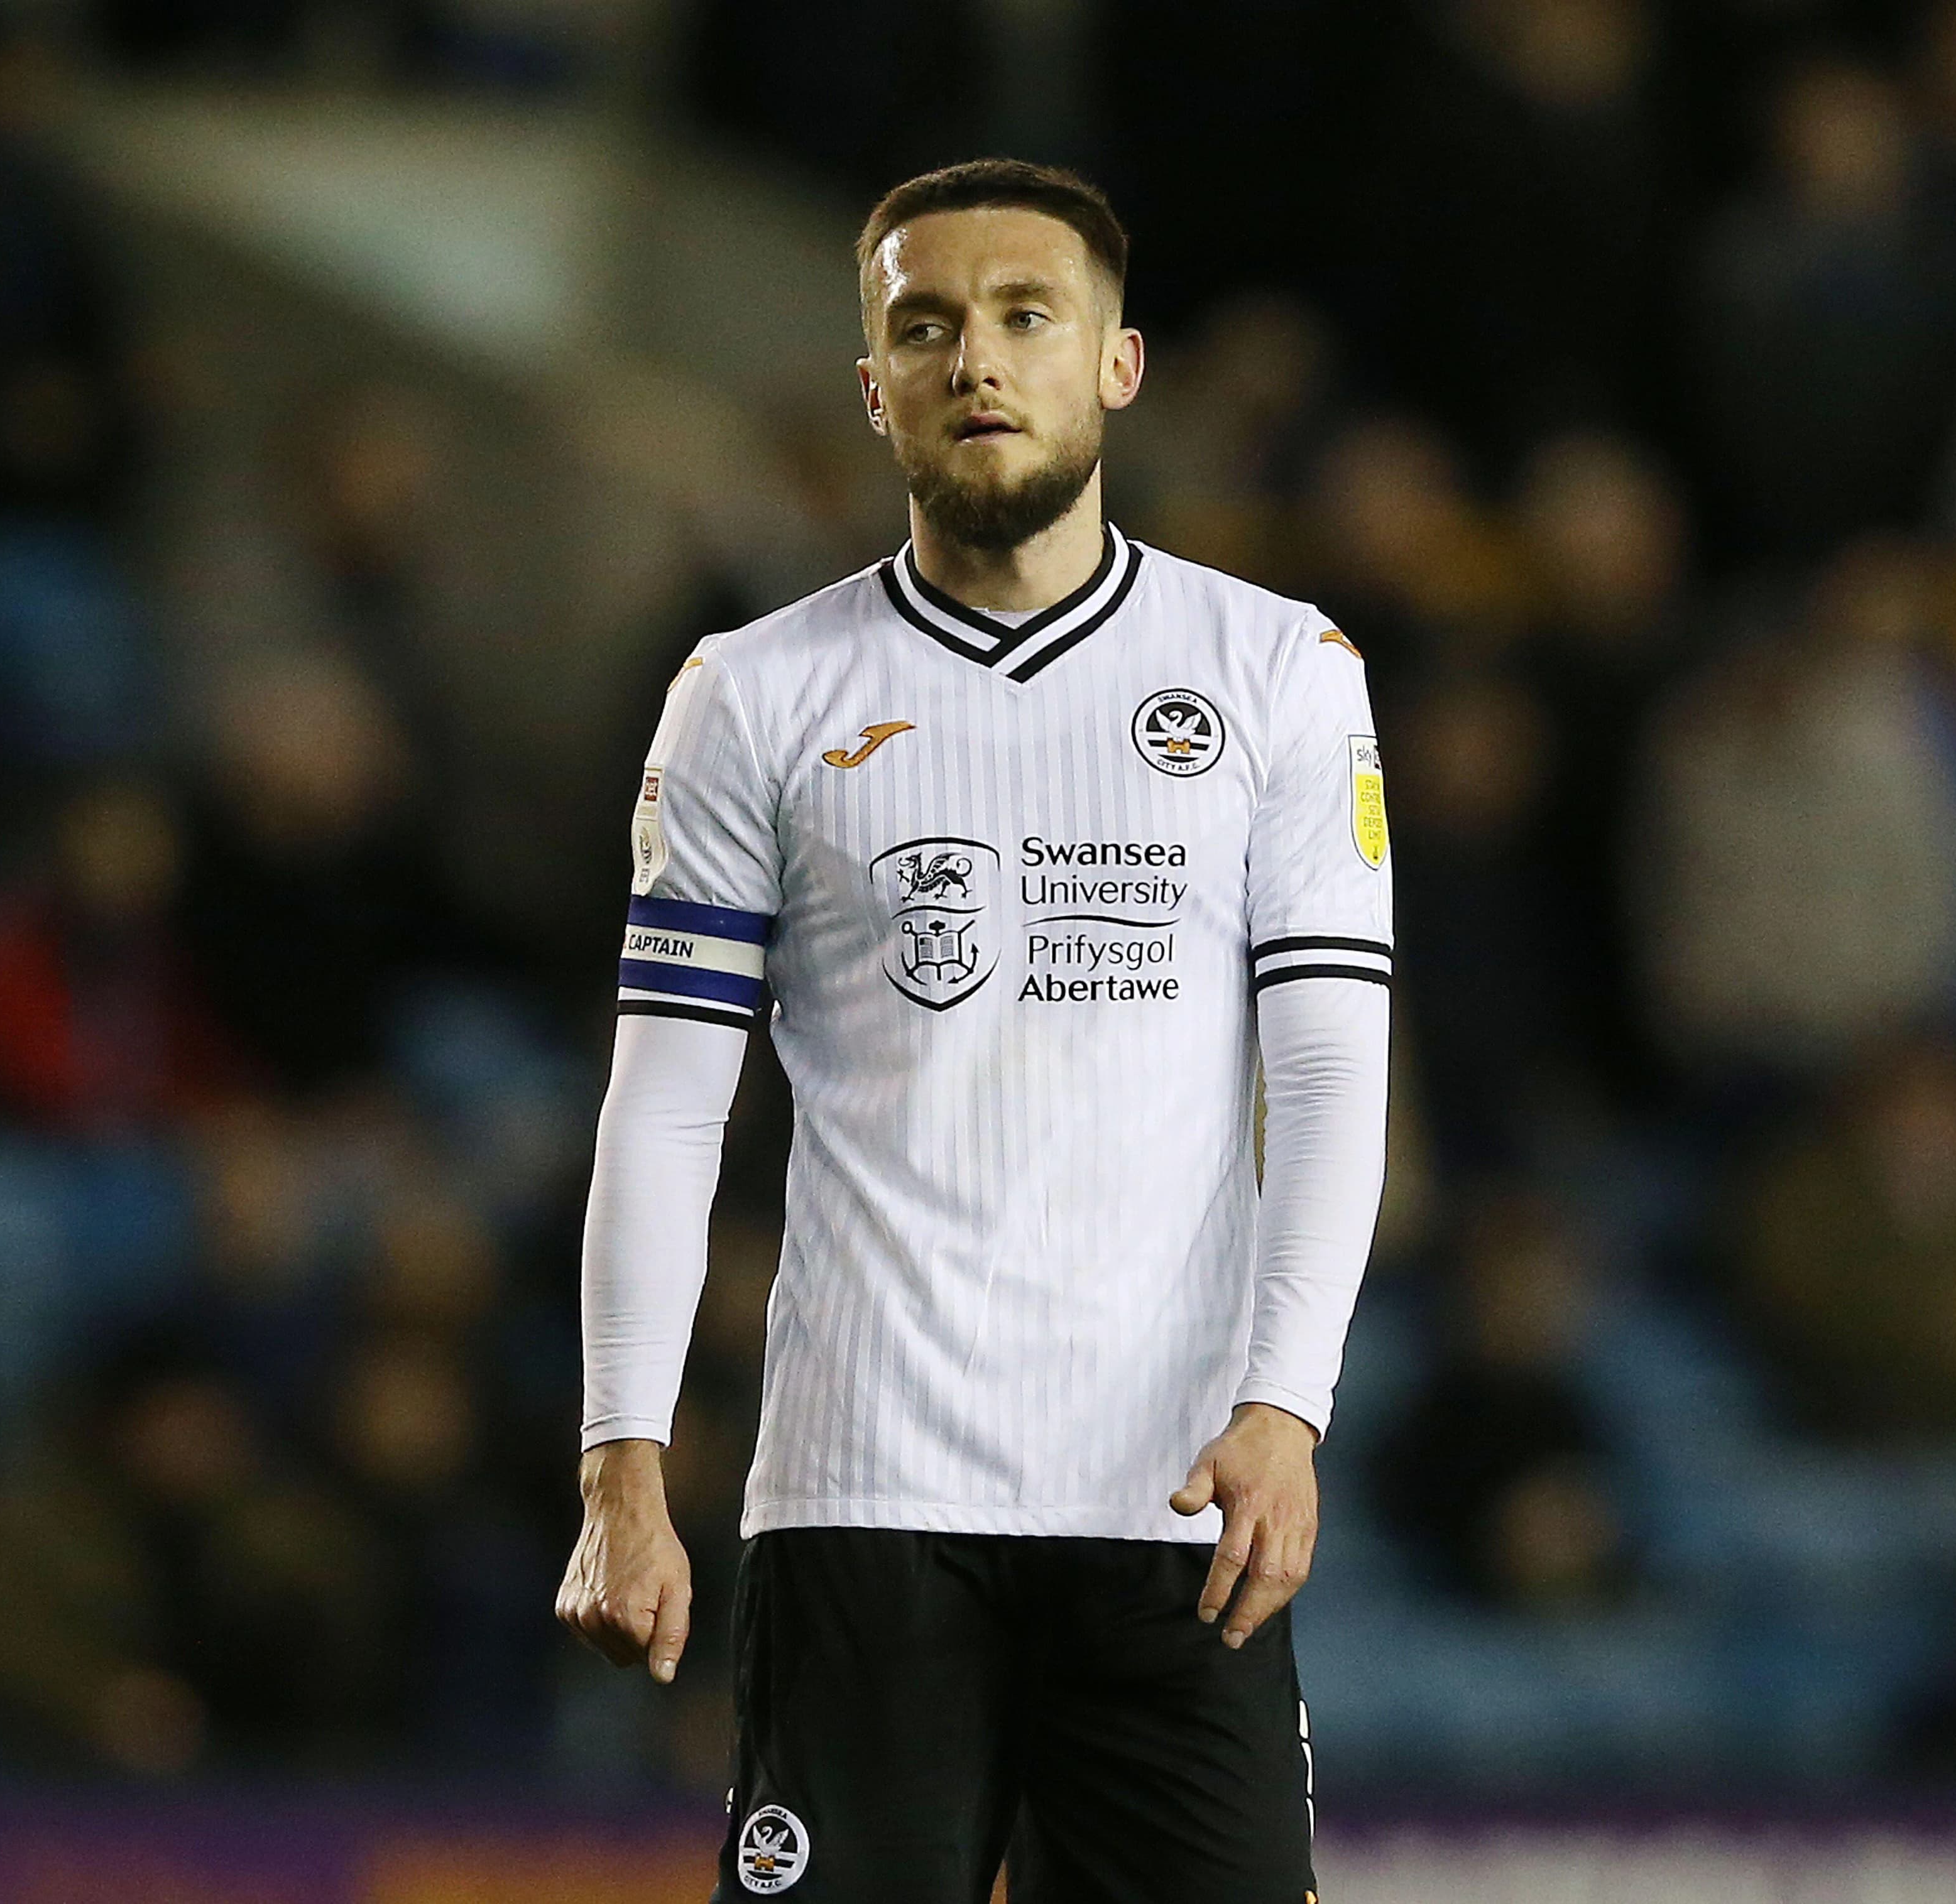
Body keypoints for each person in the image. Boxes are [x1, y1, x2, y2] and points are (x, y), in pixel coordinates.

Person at [555, 160, 1392, 1902]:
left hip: (1177, 1509)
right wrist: (622, 1463)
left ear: (1119, 363)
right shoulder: (754, 694)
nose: (975, 361)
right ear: (875, 387)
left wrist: (1288, 1411)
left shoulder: (1278, 671)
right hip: (866, 1499)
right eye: (924, 327)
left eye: (1027, 316)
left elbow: (1324, 1071)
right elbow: (660, 1111)